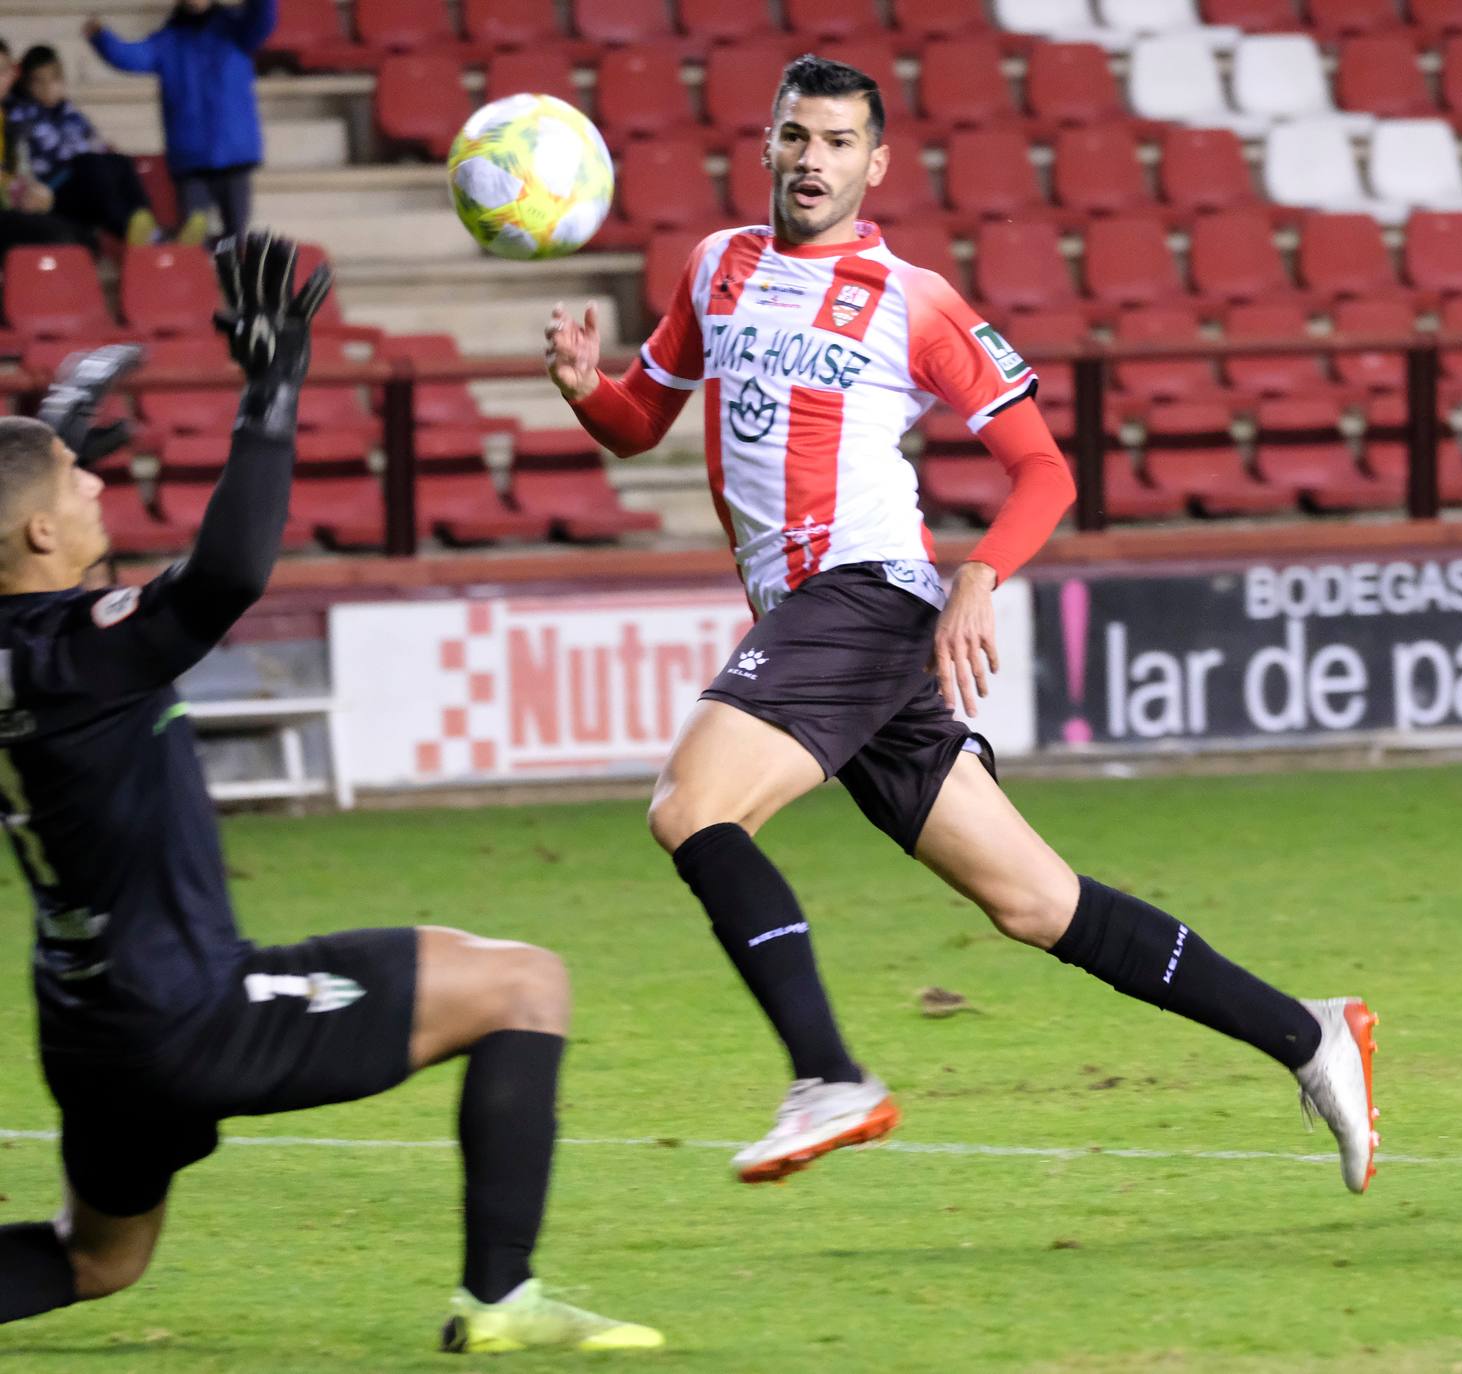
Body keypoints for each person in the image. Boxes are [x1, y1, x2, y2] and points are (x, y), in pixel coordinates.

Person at [545, 55, 1381, 1193]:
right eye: (796, 136)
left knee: (692, 807)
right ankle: (1308, 1031)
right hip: (825, 623)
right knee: (1038, 903)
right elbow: (643, 420)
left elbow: (1042, 469)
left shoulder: (912, 299)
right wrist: (587, 386)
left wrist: (981, 574)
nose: (812, 160)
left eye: (839, 143)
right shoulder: (715, 269)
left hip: (871, 592)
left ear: (876, 164)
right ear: (767, 145)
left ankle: (828, 1076)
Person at [0, 232, 662, 1357]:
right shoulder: (87, 651)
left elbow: (35, 569)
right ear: (42, 533)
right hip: (193, 1013)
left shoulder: (29, 647)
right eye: (80, 482)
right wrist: (272, 392)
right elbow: (225, 577)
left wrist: (45, 442)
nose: (102, 480)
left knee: (99, 1259)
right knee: (524, 986)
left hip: (89, 1023)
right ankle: (500, 1301)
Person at [85, 1, 275, 242]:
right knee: (193, 239)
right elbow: (131, 56)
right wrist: (104, 39)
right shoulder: (168, 40)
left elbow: (263, 20)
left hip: (233, 155)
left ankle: (227, 280)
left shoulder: (236, 29)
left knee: (235, 237)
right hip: (190, 158)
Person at [4, 43, 161, 245]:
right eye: (39, 82)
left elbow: (95, 143)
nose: (48, 88)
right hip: (52, 187)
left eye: (53, 80)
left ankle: (147, 226)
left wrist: (106, 154)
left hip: (83, 179)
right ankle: (125, 228)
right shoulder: (21, 115)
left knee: (119, 161)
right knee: (89, 164)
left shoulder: (70, 114)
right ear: (26, 84)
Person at [0, 39, 90, 250]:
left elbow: (20, 172)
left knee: (81, 236)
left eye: (2, 71)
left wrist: (35, 192)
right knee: (60, 235)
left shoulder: (11, 121)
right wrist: (15, 192)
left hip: (11, 211)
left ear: (13, 74)